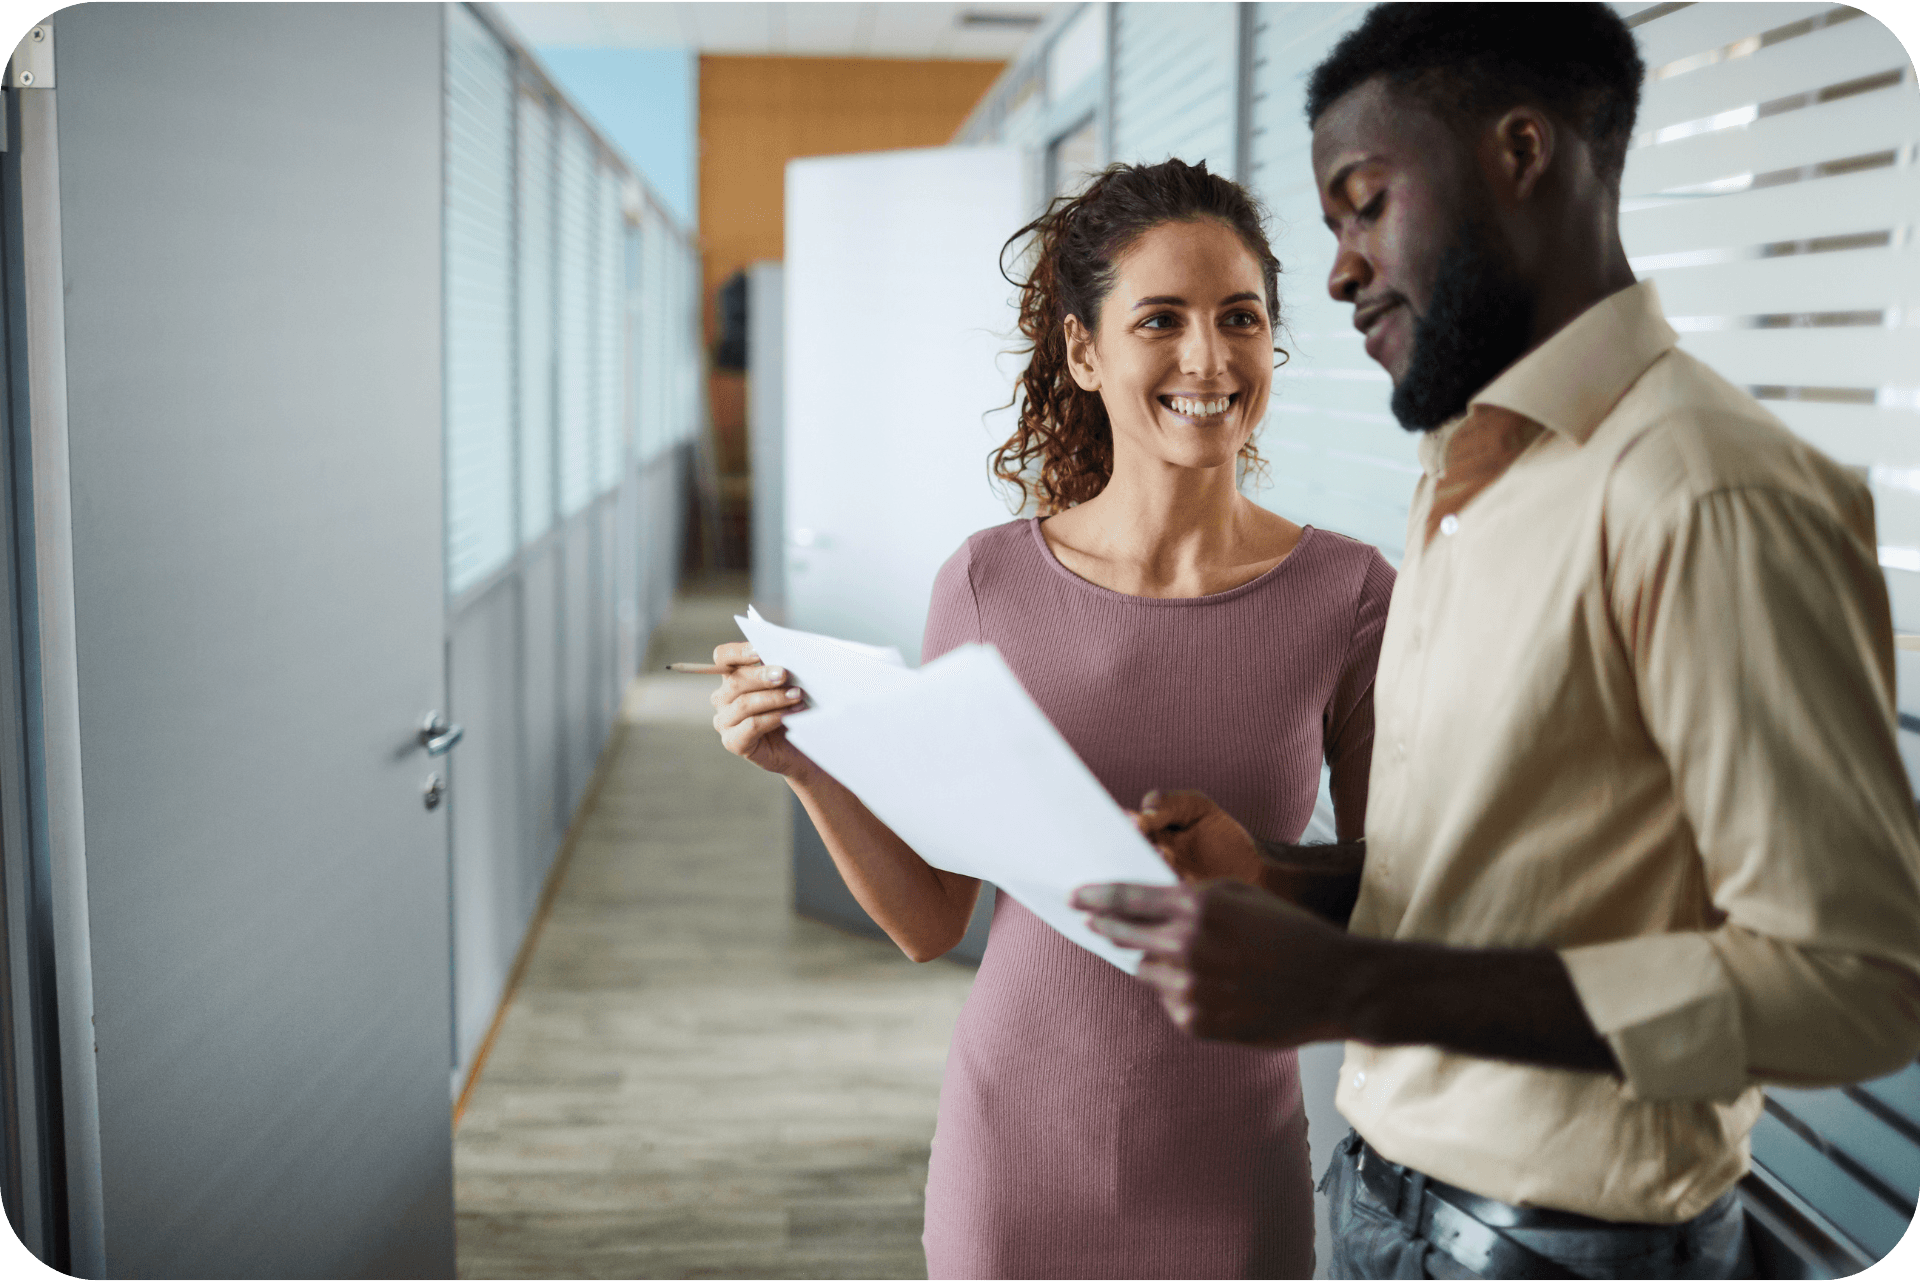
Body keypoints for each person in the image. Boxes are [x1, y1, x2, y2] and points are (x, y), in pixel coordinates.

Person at [1072, 5, 1920, 1281]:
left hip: (1565, 1250)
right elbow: (1499, 879)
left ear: (1522, 152)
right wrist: (1282, 882)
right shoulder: (1466, 477)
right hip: (1382, 1203)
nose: (1344, 271)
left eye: (1365, 205)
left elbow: (1858, 981)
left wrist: (1354, 991)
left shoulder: (1707, 493)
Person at [707, 159, 1395, 1280]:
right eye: (1160, 320)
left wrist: (1257, 870)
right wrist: (807, 766)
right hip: (1015, 1151)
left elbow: (1394, 903)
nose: (1209, 358)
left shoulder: (1353, 595)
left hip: (1232, 1150)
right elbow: (933, 920)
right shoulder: (986, 585)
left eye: (1241, 319)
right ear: (1086, 352)